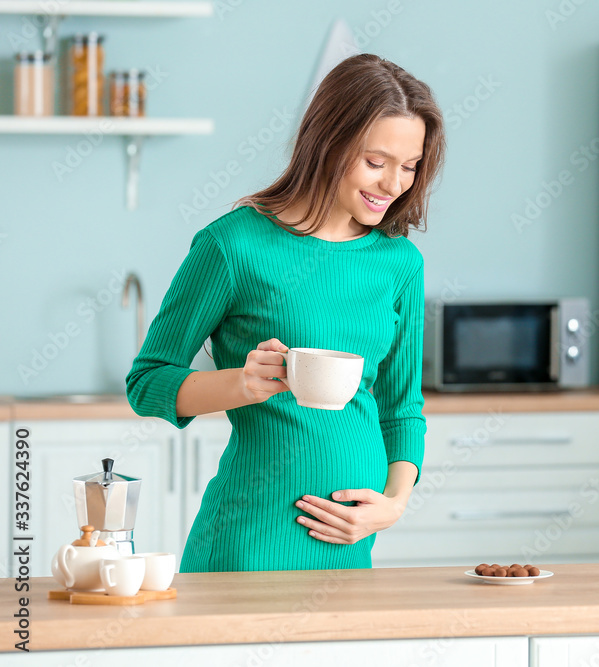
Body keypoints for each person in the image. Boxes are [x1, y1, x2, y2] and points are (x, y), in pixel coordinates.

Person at [126, 54, 445, 572]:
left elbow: (401, 406)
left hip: (350, 544)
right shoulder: (234, 246)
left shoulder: (399, 263)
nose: (393, 185)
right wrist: (242, 384)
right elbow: (147, 382)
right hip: (250, 539)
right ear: (328, 142)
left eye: (409, 167)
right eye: (375, 161)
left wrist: (392, 505)